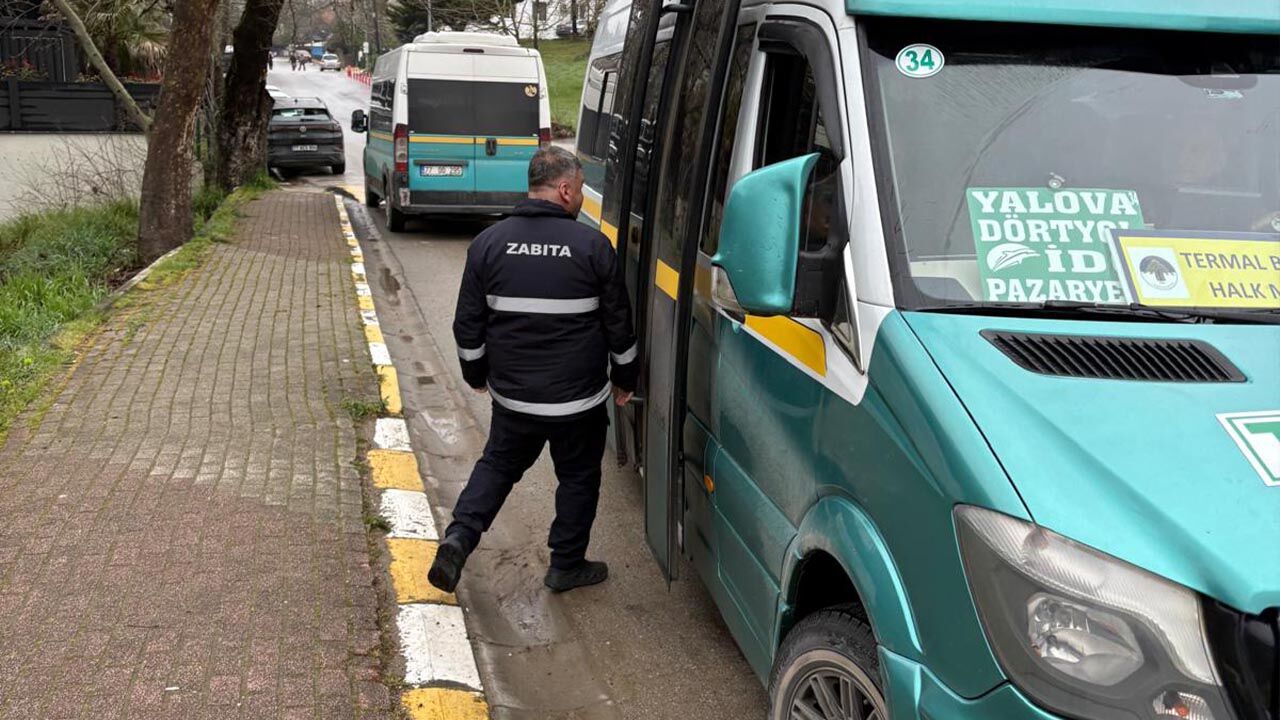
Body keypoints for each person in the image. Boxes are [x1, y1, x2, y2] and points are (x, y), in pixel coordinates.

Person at [428, 147, 638, 594]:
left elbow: (467, 325)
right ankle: (566, 564)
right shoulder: (594, 247)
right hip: (578, 404)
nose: (580, 197)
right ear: (564, 190)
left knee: (498, 466)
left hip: (515, 399)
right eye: (580, 189)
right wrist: (626, 379)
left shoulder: (489, 243)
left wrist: (476, 375)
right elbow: (619, 324)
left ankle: (459, 539)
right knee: (579, 478)